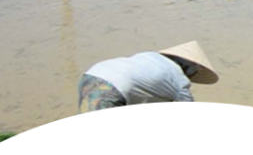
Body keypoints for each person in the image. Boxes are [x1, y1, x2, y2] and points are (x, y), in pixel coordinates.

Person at [77, 41, 219, 113]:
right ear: (188, 69)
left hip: (90, 77)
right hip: (111, 90)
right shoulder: (179, 80)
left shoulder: (149, 57)